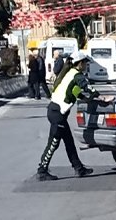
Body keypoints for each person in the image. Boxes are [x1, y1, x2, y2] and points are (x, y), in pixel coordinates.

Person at [37, 51, 106, 181]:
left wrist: (87, 99)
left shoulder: (68, 74)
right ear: (79, 63)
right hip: (57, 113)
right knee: (53, 143)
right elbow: (86, 87)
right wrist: (101, 97)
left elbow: (75, 92)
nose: (86, 65)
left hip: (56, 112)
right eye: (85, 62)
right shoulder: (76, 75)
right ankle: (42, 170)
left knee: (69, 142)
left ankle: (79, 168)